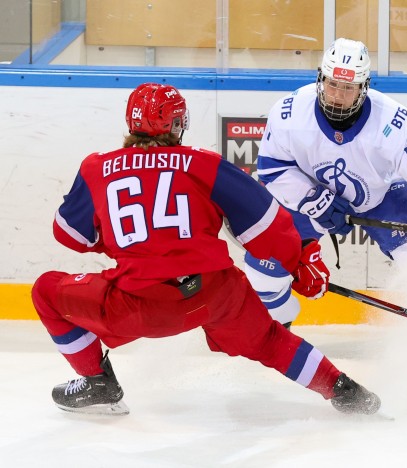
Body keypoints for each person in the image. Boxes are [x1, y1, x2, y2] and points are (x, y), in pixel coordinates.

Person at [30, 82, 380, 416]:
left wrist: (119, 239)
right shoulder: (203, 163)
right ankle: (342, 390)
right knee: (270, 339)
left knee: (46, 291)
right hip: (214, 293)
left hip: (139, 304)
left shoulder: (97, 168)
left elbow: (70, 235)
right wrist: (298, 263)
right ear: (178, 124)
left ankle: (97, 383)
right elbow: (268, 223)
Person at [244, 38, 407, 367]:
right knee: (262, 270)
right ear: (321, 78)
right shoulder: (290, 112)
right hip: (307, 193)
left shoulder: (393, 121)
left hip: (381, 193)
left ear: (364, 87)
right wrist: (315, 201)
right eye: (332, 85)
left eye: (348, 88)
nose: (337, 95)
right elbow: (272, 169)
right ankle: (272, 327)